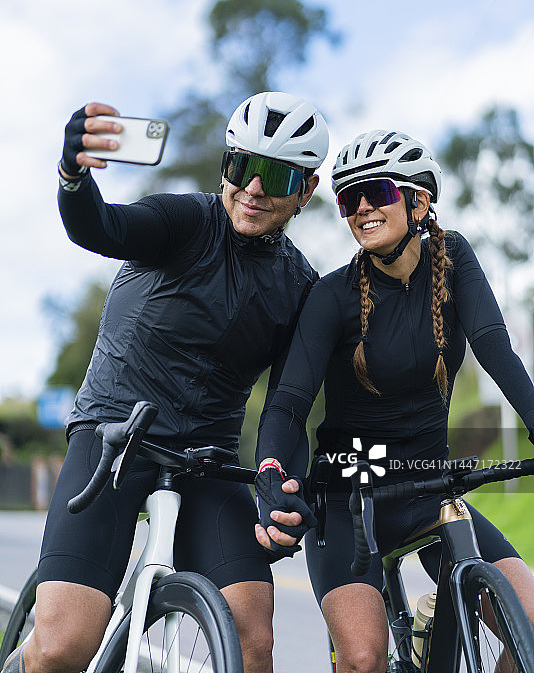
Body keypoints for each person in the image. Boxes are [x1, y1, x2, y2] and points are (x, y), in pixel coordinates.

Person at [3, 92, 329, 673]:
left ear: (305, 191)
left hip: (210, 459)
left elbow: (286, 406)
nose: (252, 188)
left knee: (253, 642)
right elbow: (98, 227)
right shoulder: (183, 221)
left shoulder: (300, 285)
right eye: (241, 167)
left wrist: (282, 480)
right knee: (62, 647)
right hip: (115, 439)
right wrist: (73, 176)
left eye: (275, 175)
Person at [254, 129, 534, 673]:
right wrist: (271, 471)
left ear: (419, 201)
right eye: (348, 197)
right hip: (346, 499)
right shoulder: (331, 296)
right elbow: (288, 404)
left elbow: (495, 348)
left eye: (376, 191)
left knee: (530, 626)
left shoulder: (454, 260)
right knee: (363, 659)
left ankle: (433, 635)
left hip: (431, 487)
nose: (360, 207)